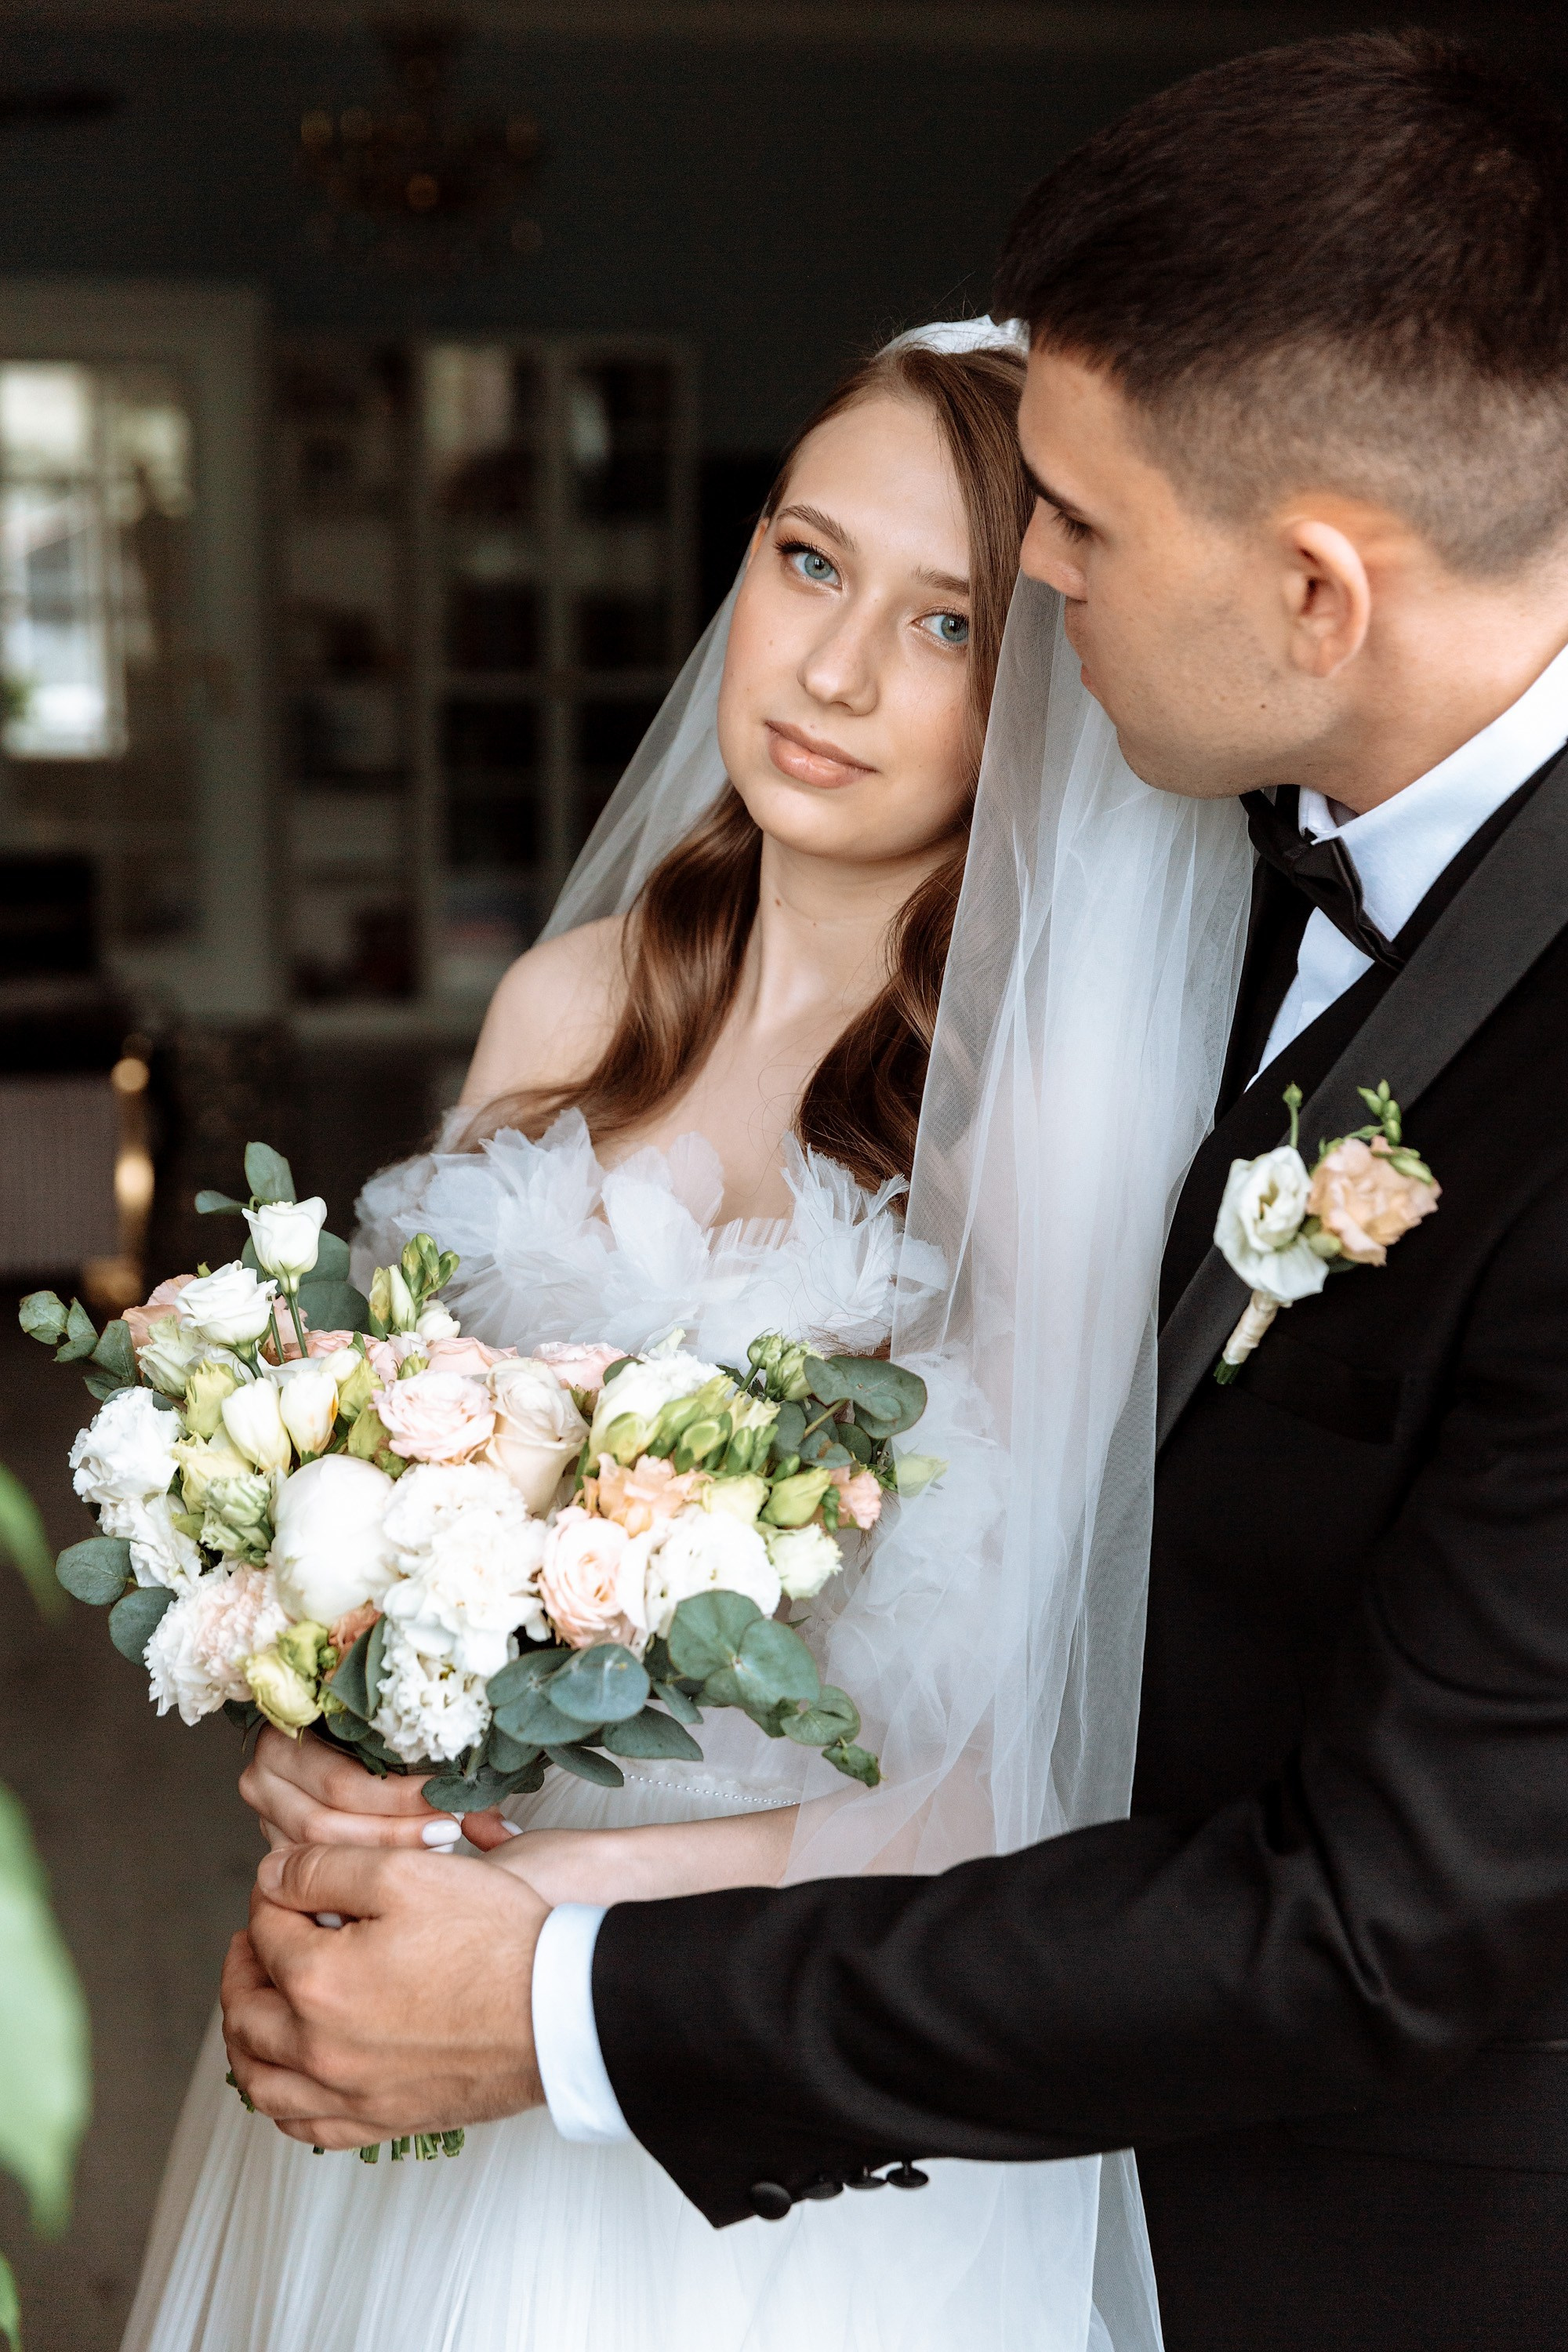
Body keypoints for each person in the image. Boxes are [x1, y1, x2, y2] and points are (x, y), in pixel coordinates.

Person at [220, 31, 1568, 2352]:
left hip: (1038, 2137)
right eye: (809, 558)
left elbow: (1332, 1888)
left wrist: (561, 1977)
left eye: (1042, 561)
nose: (1014, 602)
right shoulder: (1255, 880)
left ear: (1321, 589)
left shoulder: (1094, 1061)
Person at [128, 327, 1249, 2350]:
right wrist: (337, 1752)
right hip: (426, 1994)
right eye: (808, 563)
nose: (829, 672)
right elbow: (407, 1526)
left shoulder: (1044, 1127)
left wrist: (526, 1934)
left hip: (765, 2103)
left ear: (1050, 686)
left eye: (943, 623)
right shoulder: (561, 1008)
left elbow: (1023, 1783)